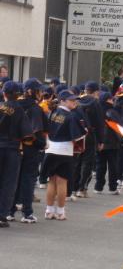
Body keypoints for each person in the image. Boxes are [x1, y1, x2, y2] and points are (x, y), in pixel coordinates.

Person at [43, 90, 87, 220]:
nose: (74, 102)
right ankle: (60, 212)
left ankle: (49, 210)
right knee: (62, 182)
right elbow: (78, 135)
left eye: (75, 100)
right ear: (62, 101)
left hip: (50, 148)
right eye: (71, 100)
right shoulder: (71, 116)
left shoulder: (51, 113)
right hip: (65, 150)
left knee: (51, 181)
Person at [8, 78, 48, 223]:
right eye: (39, 90)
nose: (41, 93)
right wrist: (42, 144)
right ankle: (27, 213)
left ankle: (10, 211)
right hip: (31, 148)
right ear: (32, 91)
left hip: (14, 148)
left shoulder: (15, 105)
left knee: (14, 180)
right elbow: (36, 131)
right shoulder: (35, 108)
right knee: (28, 180)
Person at [0, 81, 33, 227]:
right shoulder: (19, 110)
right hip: (12, 149)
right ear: (17, 94)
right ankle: (1, 215)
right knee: (8, 183)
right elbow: (27, 135)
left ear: (4, 93)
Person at [74, 81, 105, 198]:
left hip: (78, 134)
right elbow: (99, 123)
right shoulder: (95, 103)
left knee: (77, 161)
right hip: (90, 135)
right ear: (96, 91)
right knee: (88, 162)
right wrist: (101, 140)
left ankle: (73, 187)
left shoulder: (77, 101)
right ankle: (82, 188)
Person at [94, 91, 123, 195]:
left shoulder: (97, 111)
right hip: (112, 143)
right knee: (113, 166)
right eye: (111, 99)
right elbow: (120, 126)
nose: (112, 101)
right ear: (107, 100)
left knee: (100, 165)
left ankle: (98, 187)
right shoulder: (112, 112)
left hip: (100, 141)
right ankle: (112, 187)